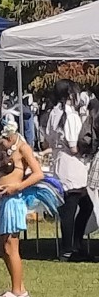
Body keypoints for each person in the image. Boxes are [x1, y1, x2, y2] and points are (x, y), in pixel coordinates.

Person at [0, 119, 60, 297]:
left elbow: (38, 173)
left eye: (1, 142)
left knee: (11, 246)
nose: (0, 146)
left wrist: (17, 187)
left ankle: (18, 291)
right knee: (2, 247)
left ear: (9, 136)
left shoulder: (23, 148)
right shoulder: (0, 150)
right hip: (3, 200)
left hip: (15, 200)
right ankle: (18, 287)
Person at [46, 81, 93, 261]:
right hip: (72, 164)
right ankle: (69, 249)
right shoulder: (70, 115)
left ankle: (74, 245)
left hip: (60, 162)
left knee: (82, 205)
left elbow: (48, 139)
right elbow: (74, 147)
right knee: (71, 208)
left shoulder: (53, 113)